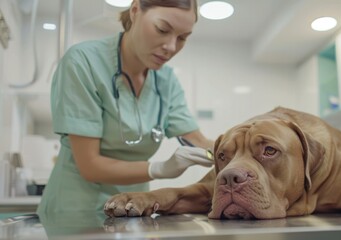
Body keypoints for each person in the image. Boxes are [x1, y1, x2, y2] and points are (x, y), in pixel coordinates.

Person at [37, 0, 214, 216]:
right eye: (162, 29)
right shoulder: (83, 62)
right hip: (75, 211)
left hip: (131, 209)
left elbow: (198, 141)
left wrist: (239, 145)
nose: (171, 46)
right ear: (135, 10)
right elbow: (89, 166)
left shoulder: (166, 81)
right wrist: (159, 168)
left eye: (182, 38)